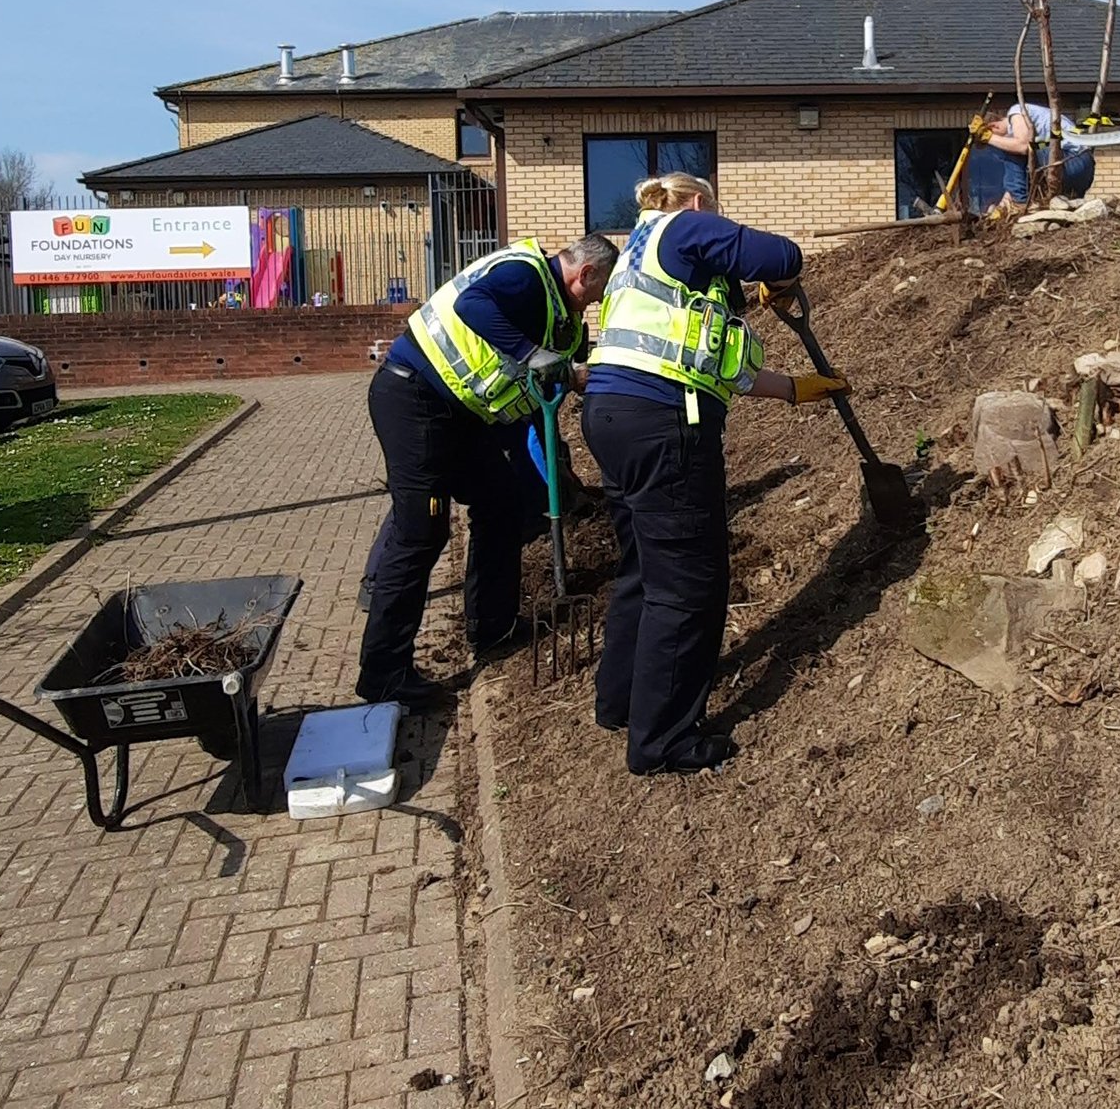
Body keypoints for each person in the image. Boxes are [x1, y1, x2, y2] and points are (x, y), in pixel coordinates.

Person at [581, 172, 848, 776]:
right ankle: (664, 741)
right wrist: (777, 278)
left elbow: (721, 367)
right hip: (663, 425)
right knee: (689, 585)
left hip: (612, 414)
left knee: (642, 570)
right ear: (700, 203)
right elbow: (786, 255)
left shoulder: (640, 261)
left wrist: (795, 390)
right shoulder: (688, 223)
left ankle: (620, 701)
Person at [356, 229, 618, 707]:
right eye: (598, 294)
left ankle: (492, 628)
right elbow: (471, 307)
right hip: (412, 399)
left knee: (502, 503)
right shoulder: (524, 275)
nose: (593, 305)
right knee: (421, 533)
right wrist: (533, 357)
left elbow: (555, 366)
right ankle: (384, 673)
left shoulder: (555, 307)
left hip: (457, 414)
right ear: (586, 274)